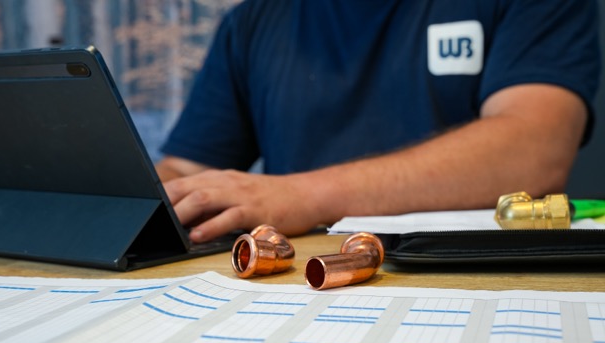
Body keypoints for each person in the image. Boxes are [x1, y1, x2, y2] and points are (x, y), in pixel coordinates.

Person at [156, 0, 601, 243]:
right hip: (293, 280)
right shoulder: (253, 21)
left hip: (464, 277)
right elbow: (187, 169)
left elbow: (536, 147)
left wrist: (303, 196)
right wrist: (141, 196)